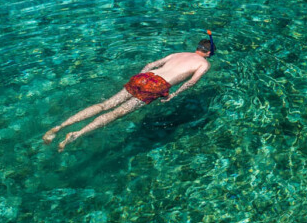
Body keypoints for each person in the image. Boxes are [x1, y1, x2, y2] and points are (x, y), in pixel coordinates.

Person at [43, 33, 214, 152]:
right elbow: (191, 82)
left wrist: (140, 75)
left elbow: (151, 65)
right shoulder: (204, 64)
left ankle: (60, 126)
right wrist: (174, 95)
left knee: (105, 105)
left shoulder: (178, 54)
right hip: (157, 86)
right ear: (208, 52)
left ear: (197, 47)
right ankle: (77, 134)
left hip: (145, 77)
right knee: (118, 112)